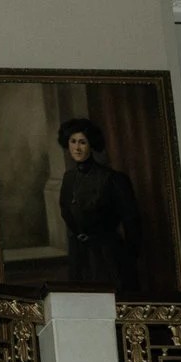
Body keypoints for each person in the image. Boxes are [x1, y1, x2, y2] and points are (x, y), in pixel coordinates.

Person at [56, 115, 141, 292]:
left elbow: (131, 223)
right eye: (73, 141)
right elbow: (66, 211)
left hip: (106, 255)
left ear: (91, 145)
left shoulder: (112, 179)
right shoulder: (68, 178)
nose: (77, 148)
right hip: (79, 256)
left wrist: (128, 260)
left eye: (82, 142)